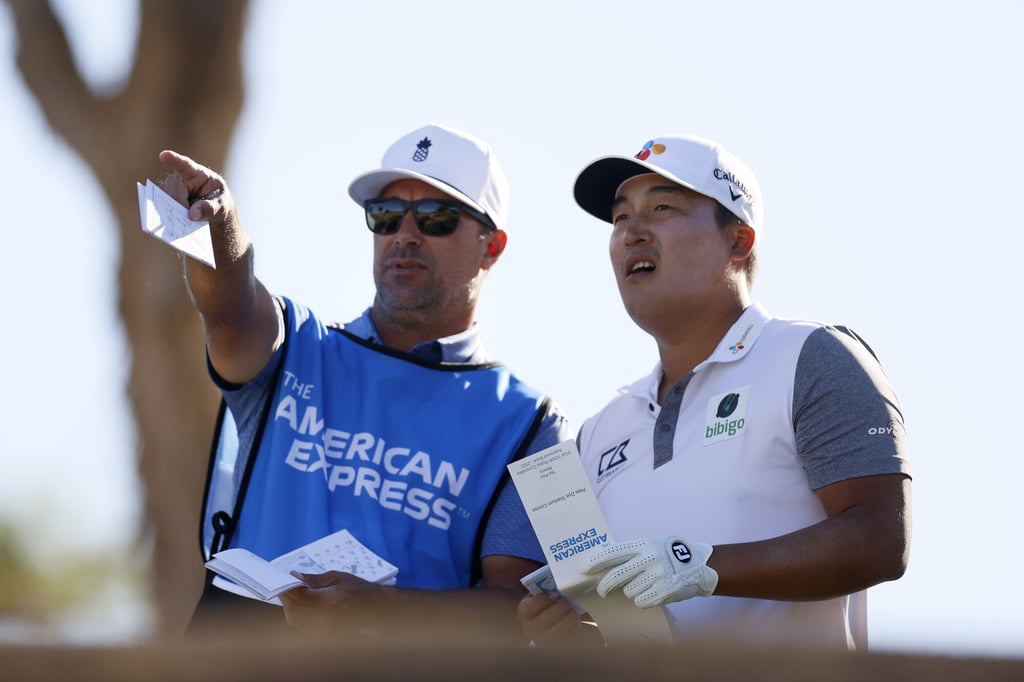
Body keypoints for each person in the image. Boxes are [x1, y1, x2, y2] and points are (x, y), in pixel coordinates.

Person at [159, 123, 571, 642]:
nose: (404, 235)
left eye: (437, 218)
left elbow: (521, 607)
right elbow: (228, 307)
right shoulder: (296, 345)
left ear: (492, 247)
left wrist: (382, 608)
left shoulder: (537, 425)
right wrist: (220, 224)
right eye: (386, 216)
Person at [518, 134, 911, 651]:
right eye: (620, 218)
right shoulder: (601, 430)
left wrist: (696, 566)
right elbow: (615, 621)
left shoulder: (809, 355)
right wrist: (572, 632)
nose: (632, 232)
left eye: (662, 207)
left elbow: (882, 540)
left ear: (739, 241)